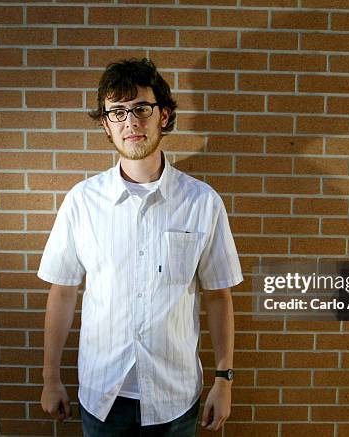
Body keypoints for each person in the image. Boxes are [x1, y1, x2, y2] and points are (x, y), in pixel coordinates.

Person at [37, 58, 243, 436]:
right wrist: (51, 378)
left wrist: (223, 379)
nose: (130, 122)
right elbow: (63, 292)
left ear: (163, 116)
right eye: (117, 112)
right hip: (102, 394)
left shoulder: (202, 202)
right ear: (105, 124)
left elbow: (218, 295)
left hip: (175, 397)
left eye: (141, 109)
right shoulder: (82, 202)